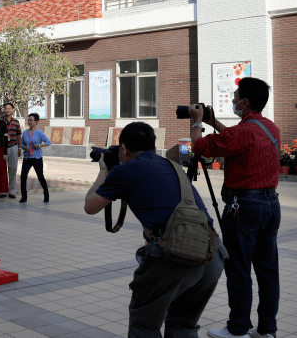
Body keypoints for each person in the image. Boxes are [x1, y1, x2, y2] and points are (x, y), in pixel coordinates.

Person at [84, 122, 225, 338]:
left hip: (176, 258)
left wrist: (104, 170)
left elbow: (90, 206)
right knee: (183, 326)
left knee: (144, 328)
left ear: (123, 149)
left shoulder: (125, 170)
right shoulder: (173, 165)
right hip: (211, 256)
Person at [189, 78, 281, 338]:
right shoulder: (270, 128)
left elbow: (200, 147)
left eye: (236, 96)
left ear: (246, 102)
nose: (233, 100)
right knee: (267, 271)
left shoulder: (242, 132)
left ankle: (238, 328)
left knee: (239, 269)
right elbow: (235, 137)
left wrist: (197, 122)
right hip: (270, 206)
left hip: (244, 208)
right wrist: (212, 122)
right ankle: (267, 330)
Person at [20, 113, 51, 203]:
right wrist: (23, 147)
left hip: (37, 158)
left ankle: (46, 194)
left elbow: (48, 142)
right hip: (27, 157)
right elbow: (22, 143)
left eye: (31, 120)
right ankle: (24, 197)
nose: (29, 122)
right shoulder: (25, 132)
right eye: (28, 120)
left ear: (36, 121)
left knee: (40, 177)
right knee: (23, 176)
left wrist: (39, 145)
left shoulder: (39, 132)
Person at [2, 103, 22, 199]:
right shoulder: (0, 121)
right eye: (5, 109)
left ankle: (12, 191)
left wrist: (19, 148)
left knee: (13, 169)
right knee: (2, 170)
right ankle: (2, 191)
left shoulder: (16, 122)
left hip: (13, 147)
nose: (7, 110)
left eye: (9, 109)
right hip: (3, 148)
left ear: (13, 110)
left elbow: (19, 135)